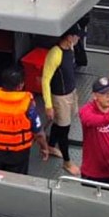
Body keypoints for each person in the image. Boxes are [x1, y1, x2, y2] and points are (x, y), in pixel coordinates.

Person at [41, 26, 82, 176]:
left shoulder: (70, 49)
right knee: (64, 130)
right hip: (60, 98)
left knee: (60, 123)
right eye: (77, 36)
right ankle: (67, 162)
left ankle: (51, 145)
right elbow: (45, 80)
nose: (79, 39)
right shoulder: (55, 54)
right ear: (69, 37)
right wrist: (48, 105)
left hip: (71, 93)